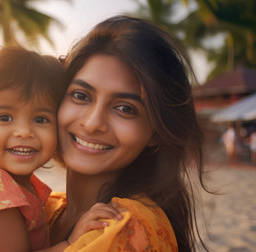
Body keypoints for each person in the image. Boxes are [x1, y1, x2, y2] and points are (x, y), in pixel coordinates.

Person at [46, 15, 210, 251]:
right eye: (81, 95)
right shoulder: (42, 211)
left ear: (156, 131)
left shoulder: (123, 226)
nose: (93, 123)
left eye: (125, 109)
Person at [0, 47, 120, 252]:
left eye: (40, 119)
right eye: (4, 118)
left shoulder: (8, 181)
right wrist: (70, 244)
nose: (24, 132)